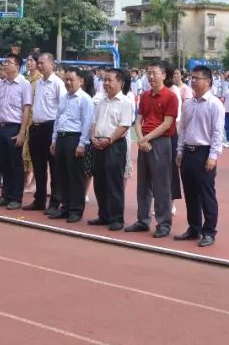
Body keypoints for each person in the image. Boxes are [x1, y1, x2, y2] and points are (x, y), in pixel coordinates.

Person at [125, 62, 179, 238]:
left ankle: (163, 223)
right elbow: (138, 120)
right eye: (149, 73)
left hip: (161, 142)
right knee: (143, 184)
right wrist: (141, 139)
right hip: (144, 141)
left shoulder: (171, 97)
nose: (151, 77)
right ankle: (143, 220)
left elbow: (167, 123)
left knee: (161, 184)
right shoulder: (145, 96)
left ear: (163, 75)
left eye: (154, 73)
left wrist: (146, 138)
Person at [174, 65, 223, 247]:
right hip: (188, 151)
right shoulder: (188, 104)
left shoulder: (214, 104)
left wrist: (213, 156)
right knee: (190, 193)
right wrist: (180, 151)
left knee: (206, 194)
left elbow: (217, 132)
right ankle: (194, 228)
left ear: (208, 81)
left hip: (204, 153)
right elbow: (183, 129)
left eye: (197, 78)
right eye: (192, 78)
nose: (193, 80)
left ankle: (209, 231)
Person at [89, 68, 134, 231]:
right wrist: (93, 137)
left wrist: (108, 140)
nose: (106, 83)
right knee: (99, 181)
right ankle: (104, 215)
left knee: (114, 183)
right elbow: (94, 122)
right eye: (104, 80)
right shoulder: (101, 101)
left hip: (114, 145)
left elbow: (124, 126)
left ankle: (117, 218)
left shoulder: (125, 102)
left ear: (120, 83)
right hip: (98, 144)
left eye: (110, 80)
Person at [47, 67, 93, 223]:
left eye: (71, 79)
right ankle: (65, 207)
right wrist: (54, 140)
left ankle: (76, 210)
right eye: (66, 79)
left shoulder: (85, 99)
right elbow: (58, 119)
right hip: (61, 137)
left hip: (75, 138)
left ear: (80, 81)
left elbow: (87, 123)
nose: (68, 82)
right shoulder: (64, 98)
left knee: (75, 177)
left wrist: (82, 144)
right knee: (62, 175)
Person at [0, 53, 33, 210]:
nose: (5, 64)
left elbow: (26, 108)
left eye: (8, 62)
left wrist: (22, 132)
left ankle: (16, 197)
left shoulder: (24, 84)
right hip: (1, 126)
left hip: (14, 127)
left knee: (15, 164)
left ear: (17, 66)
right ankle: (5, 194)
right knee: (3, 163)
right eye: (4, 61)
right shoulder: (1, 84)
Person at [27, 52, 66, 212]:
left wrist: (56, 134)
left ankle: (55, 202)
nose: (39, 65)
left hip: (50, 128)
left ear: (52, 64)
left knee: (54, 168)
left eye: (42, 63)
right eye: (39, 63)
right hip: (36, 127)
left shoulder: (57, 83)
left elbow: (62, 109)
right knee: (38, 167)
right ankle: (39, 199)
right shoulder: (39, 83)